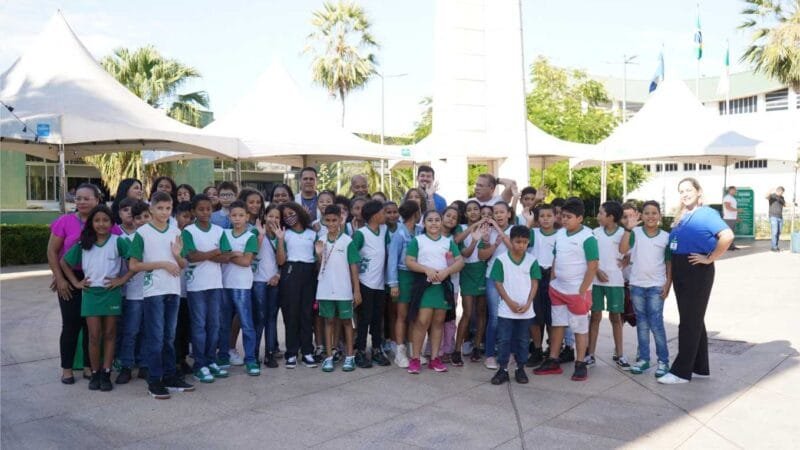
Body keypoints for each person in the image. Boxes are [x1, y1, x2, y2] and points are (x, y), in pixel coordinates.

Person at [658, 178, 733, 384]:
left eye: (688, 190)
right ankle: (700, 367)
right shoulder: (683, 216)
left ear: (699, 191)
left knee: (689, 321)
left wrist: (710, 258)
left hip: (696, 269)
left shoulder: (707, 213)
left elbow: (727, 235)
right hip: (681, 268)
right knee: (693, 317)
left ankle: (681, 372)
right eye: (681, 191)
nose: (685, 194)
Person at [128, 191, 194, 399]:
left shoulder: (175, 231)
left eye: (168, 208)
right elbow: (134, 265)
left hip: (173, 290)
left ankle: (170, 376)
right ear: (151, 209)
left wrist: (176, 256)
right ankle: (154, 380)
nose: (164, 212)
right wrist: (163, 264)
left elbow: (183, 264)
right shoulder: (143, 233)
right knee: (156, 338)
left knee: (169, 337)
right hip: (154, 290)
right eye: (160, 208)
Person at [60, 205, 131, 391]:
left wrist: (122, 279)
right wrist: (76, 282)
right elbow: (64, 262)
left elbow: (135, 262)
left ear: (111, 222)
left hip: (111, 292)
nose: (101, 224)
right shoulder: (84, 243)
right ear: (91, 223)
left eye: (105, 220)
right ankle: (95, 372)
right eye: (97, 220)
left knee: (110, 334)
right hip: (91, 294)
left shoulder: (118, 241)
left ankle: (106, 372)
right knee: (93, 335)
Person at [534, 198, 598, 382]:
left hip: (577, 292)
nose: (564, 220)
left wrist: (582, 290)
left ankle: (580, 363)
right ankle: (553, 360)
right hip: (558, 290)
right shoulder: (560, 234)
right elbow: (556, 258)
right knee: (558, 324)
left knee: (579, 328)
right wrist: (553, 280)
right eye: (562, 216)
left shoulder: (588, 237)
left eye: (568, 217)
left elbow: (593, 265)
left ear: (580, 218)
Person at [47, 183, 105, 384]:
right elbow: (52, 252)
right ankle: (67, 369)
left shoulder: (104, 221)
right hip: (69, 276)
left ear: (97, 200)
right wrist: (60, 278)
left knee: (91, 326)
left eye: (86, 198)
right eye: (78, 198)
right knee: (70, 324)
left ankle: (89, 366)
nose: (81, 202)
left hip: (95, 278)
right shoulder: (64, 221)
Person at [405, 210, 465, 374]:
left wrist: (447, 271)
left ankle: (434, 358)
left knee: (438, 322)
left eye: (437, 220)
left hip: (442, 287)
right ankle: (415, 359)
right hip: (424, 286)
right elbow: (409, 261)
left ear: (441, 222)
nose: (434, 223)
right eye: (430, 220)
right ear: (424, 223)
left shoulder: (448, 242)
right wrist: (426, 270)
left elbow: (460, 262)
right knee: (422, 322)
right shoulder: (418, 240)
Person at [620, 200, 672, 377]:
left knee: (656, 324)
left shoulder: (665, 237)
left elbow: (669, 263)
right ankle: (643, 359)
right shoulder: (634, 233)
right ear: (641, 215)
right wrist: (628, 229)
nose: (650, 216)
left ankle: (663, 361)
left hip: (656, 286)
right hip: (637, 286)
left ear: (659, 216)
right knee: (641, 323)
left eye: (654, 213)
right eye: (647, 213)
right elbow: (623, 249)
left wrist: (668, 284)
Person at [181, 194, 229, 383]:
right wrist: (215, 252)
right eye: (201, 209)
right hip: (196, 286)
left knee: (214, 325)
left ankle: (211, 360)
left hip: (215, 284)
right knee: (199, 326)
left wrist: (207, 255)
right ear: (193, 211)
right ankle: (199, 364)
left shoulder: (218, 230)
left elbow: (226, 257)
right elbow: (191, 256)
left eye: (208, 209)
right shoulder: (188, 231)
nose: (205, 212)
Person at [489, 225, 541, 385]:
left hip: (526, 311)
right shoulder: (501, 260)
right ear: (511, 241)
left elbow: (535, 283)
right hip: (506, 310)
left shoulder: (532, 261)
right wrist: (509, 302)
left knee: (523, 340)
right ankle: (503, 369)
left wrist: (528, 303)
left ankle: (520, 368)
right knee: (504, 340)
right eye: (518, 242)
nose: (521, 245)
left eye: (525, 242)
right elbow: (498, 283)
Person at [315, 205, 362, 372]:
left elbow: (353, 266)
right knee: (328, 321)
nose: (331, 223)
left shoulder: (347, 241)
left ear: (340, 220)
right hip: (325, 289)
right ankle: (328, 357)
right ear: (323, 220)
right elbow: (320, 266)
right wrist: (319, 255)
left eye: (334, 220)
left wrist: (356, 290)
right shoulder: (321, 240)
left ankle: (350, 356)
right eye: (328, 220)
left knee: (347, 322)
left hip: (344, 290)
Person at [218, 200, 261, 376]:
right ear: (229, 217)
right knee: (224, 323)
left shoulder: (250, 236)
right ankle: (223, 356)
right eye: (234, 215)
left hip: (242, 285)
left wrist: (229, 255)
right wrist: (231, 255)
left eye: (241, 215)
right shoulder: (223, 233)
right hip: (224, 284)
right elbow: (218, 257)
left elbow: (246, 261)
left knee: (246, 323)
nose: (237, 218)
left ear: (247, 217)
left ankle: (250, 359)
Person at [587, 201, 631, 370]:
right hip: (596, 282)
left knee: (616, 318)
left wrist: (625, 262)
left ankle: (620, 354)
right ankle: (590, 354)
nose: (598, 216)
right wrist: (597, 270)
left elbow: (627, 253)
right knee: (595, 317)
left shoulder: (623, 233)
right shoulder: (595, 232)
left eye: (601, 213)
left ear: (611, 217)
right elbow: (590, 256)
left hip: (615, 283)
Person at [274, 202, 317, 369]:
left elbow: (317, 257)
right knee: (291, 314)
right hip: (290, 271)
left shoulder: (312, 234)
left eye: (291, 213)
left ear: (299, 212)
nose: (289, 218)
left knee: (307, 314)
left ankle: (307, 351)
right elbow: (280, 261)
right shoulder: (284, 234)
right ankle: (291, 352)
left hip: (309, 273)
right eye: (285, 216)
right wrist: (280, 240)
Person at [351, 200, 391, 368]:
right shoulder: (360, 234)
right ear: (375, 216)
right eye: (383, 212)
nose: (385, 215)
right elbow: (352, 259)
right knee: (364, 319)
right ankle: (360, 351)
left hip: (380, 285)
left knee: (377, 319)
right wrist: (356, 289)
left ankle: (376, 349)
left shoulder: (384, 230)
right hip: (364, 283)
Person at [477, 201, 515, 370]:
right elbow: (482, 256)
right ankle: (490, 355)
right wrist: (491, 243)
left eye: (502, 212)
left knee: (511, 316)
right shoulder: (488, 231)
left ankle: (509, 352)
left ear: (509, 214)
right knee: (494, 317)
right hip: (493, 277)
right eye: (496, 212)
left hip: (512, 279)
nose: (498, 215)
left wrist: (499, 230)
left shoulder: (514, 230)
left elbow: (514, 250)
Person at [116, 200, 150, 384]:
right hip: (134, 293)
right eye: (138, 218)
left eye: (146, 216)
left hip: (153, 291)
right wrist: (122, 280)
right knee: (131, 331)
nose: (142, 220)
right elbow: (131, 266)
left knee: (147, 330)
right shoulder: (127, 240)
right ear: (133, 220)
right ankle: (126, 366)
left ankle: (144, 365)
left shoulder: (156, 237)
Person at [387, 200, 421, 368]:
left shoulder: (420, 231)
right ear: (416, 214)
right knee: (402, 315)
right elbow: (392, 260)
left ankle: (414, 350)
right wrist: (394, 284)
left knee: (414, 315)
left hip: (418, 275)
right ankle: (400, 352)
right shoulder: (399, 234)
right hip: (403, 275)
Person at [453, 200, 487, 366]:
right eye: (469, 210)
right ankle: (457, 350)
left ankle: (476, 347)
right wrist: (473, 234)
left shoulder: (486, 228)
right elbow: (463, 251)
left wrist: (482, 235)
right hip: (466, 272)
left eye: (476, 209)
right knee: (467, 312)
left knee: (481, 312)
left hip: (482, 270)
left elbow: (484, 253)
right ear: (465, 213)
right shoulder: (460, 228)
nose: (473, 212)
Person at [526, 203, 557, 367]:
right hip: (535, 276)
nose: (545, 219)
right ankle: (537, 349)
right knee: (535, 316)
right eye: (542, 216)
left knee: (552, 317)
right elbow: (522, 242)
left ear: (555, 217)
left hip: (553, 277)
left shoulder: (561, 235)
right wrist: (528, 223)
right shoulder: (534, 233)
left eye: (549, 216)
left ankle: (553, 350)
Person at [252, 205, 282, 368]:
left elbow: (282, 261)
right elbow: (251, 254)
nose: (273, 220)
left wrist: (278, 276)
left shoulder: (280, 235)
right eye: (270, 216)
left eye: (277, 217)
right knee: (259, 318)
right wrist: (261, 236)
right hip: (258, 281)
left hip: (274, 282)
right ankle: (254, 354)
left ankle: (270, 354)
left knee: (271, 318)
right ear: (264, 216)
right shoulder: (256, 232)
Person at [174, 202, 194, 376]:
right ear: (176, 217)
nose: (188, 221)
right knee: (175, 327)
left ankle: (182, 358)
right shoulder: (173, 234)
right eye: (185, 217)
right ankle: (174, 360)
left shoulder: (193, 235)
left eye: (191, 218)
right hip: (174, 288)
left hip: (190, 288)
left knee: (186, 326)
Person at [767, 187, 786, 252]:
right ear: (779, 191)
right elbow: (766, 196)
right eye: (782, 192)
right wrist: (770, 190)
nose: (782, 193)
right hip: (773, 217)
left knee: (778, 232)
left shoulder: (782, 197)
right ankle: (774, 247)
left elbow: (785, 204)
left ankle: (775, 246)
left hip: (780, 217)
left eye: (783, 192)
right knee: (775, 232)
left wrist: (793, 204)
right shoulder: (772, 196)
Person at [722, 186, 740, 250]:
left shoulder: (733, 198)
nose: (735, 191)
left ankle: (731, 246)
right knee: (729, 233)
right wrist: (737, 210)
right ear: (730, 190)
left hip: (732, 218)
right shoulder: (727, 198)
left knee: (732, 233)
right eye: (733, 190)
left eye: (735, 190)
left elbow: (732, 207)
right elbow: (727, 207)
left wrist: (736, 217)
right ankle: (727, 246)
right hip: (728, 218)